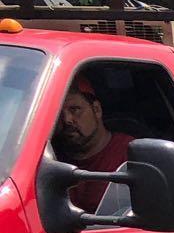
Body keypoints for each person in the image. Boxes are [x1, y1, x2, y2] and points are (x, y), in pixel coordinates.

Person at [55, 75, 133, 212]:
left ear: (96, 110)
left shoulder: (131, 154)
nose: (67, 119)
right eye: (58, 113)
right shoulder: (48, 158)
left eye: (74, 109)